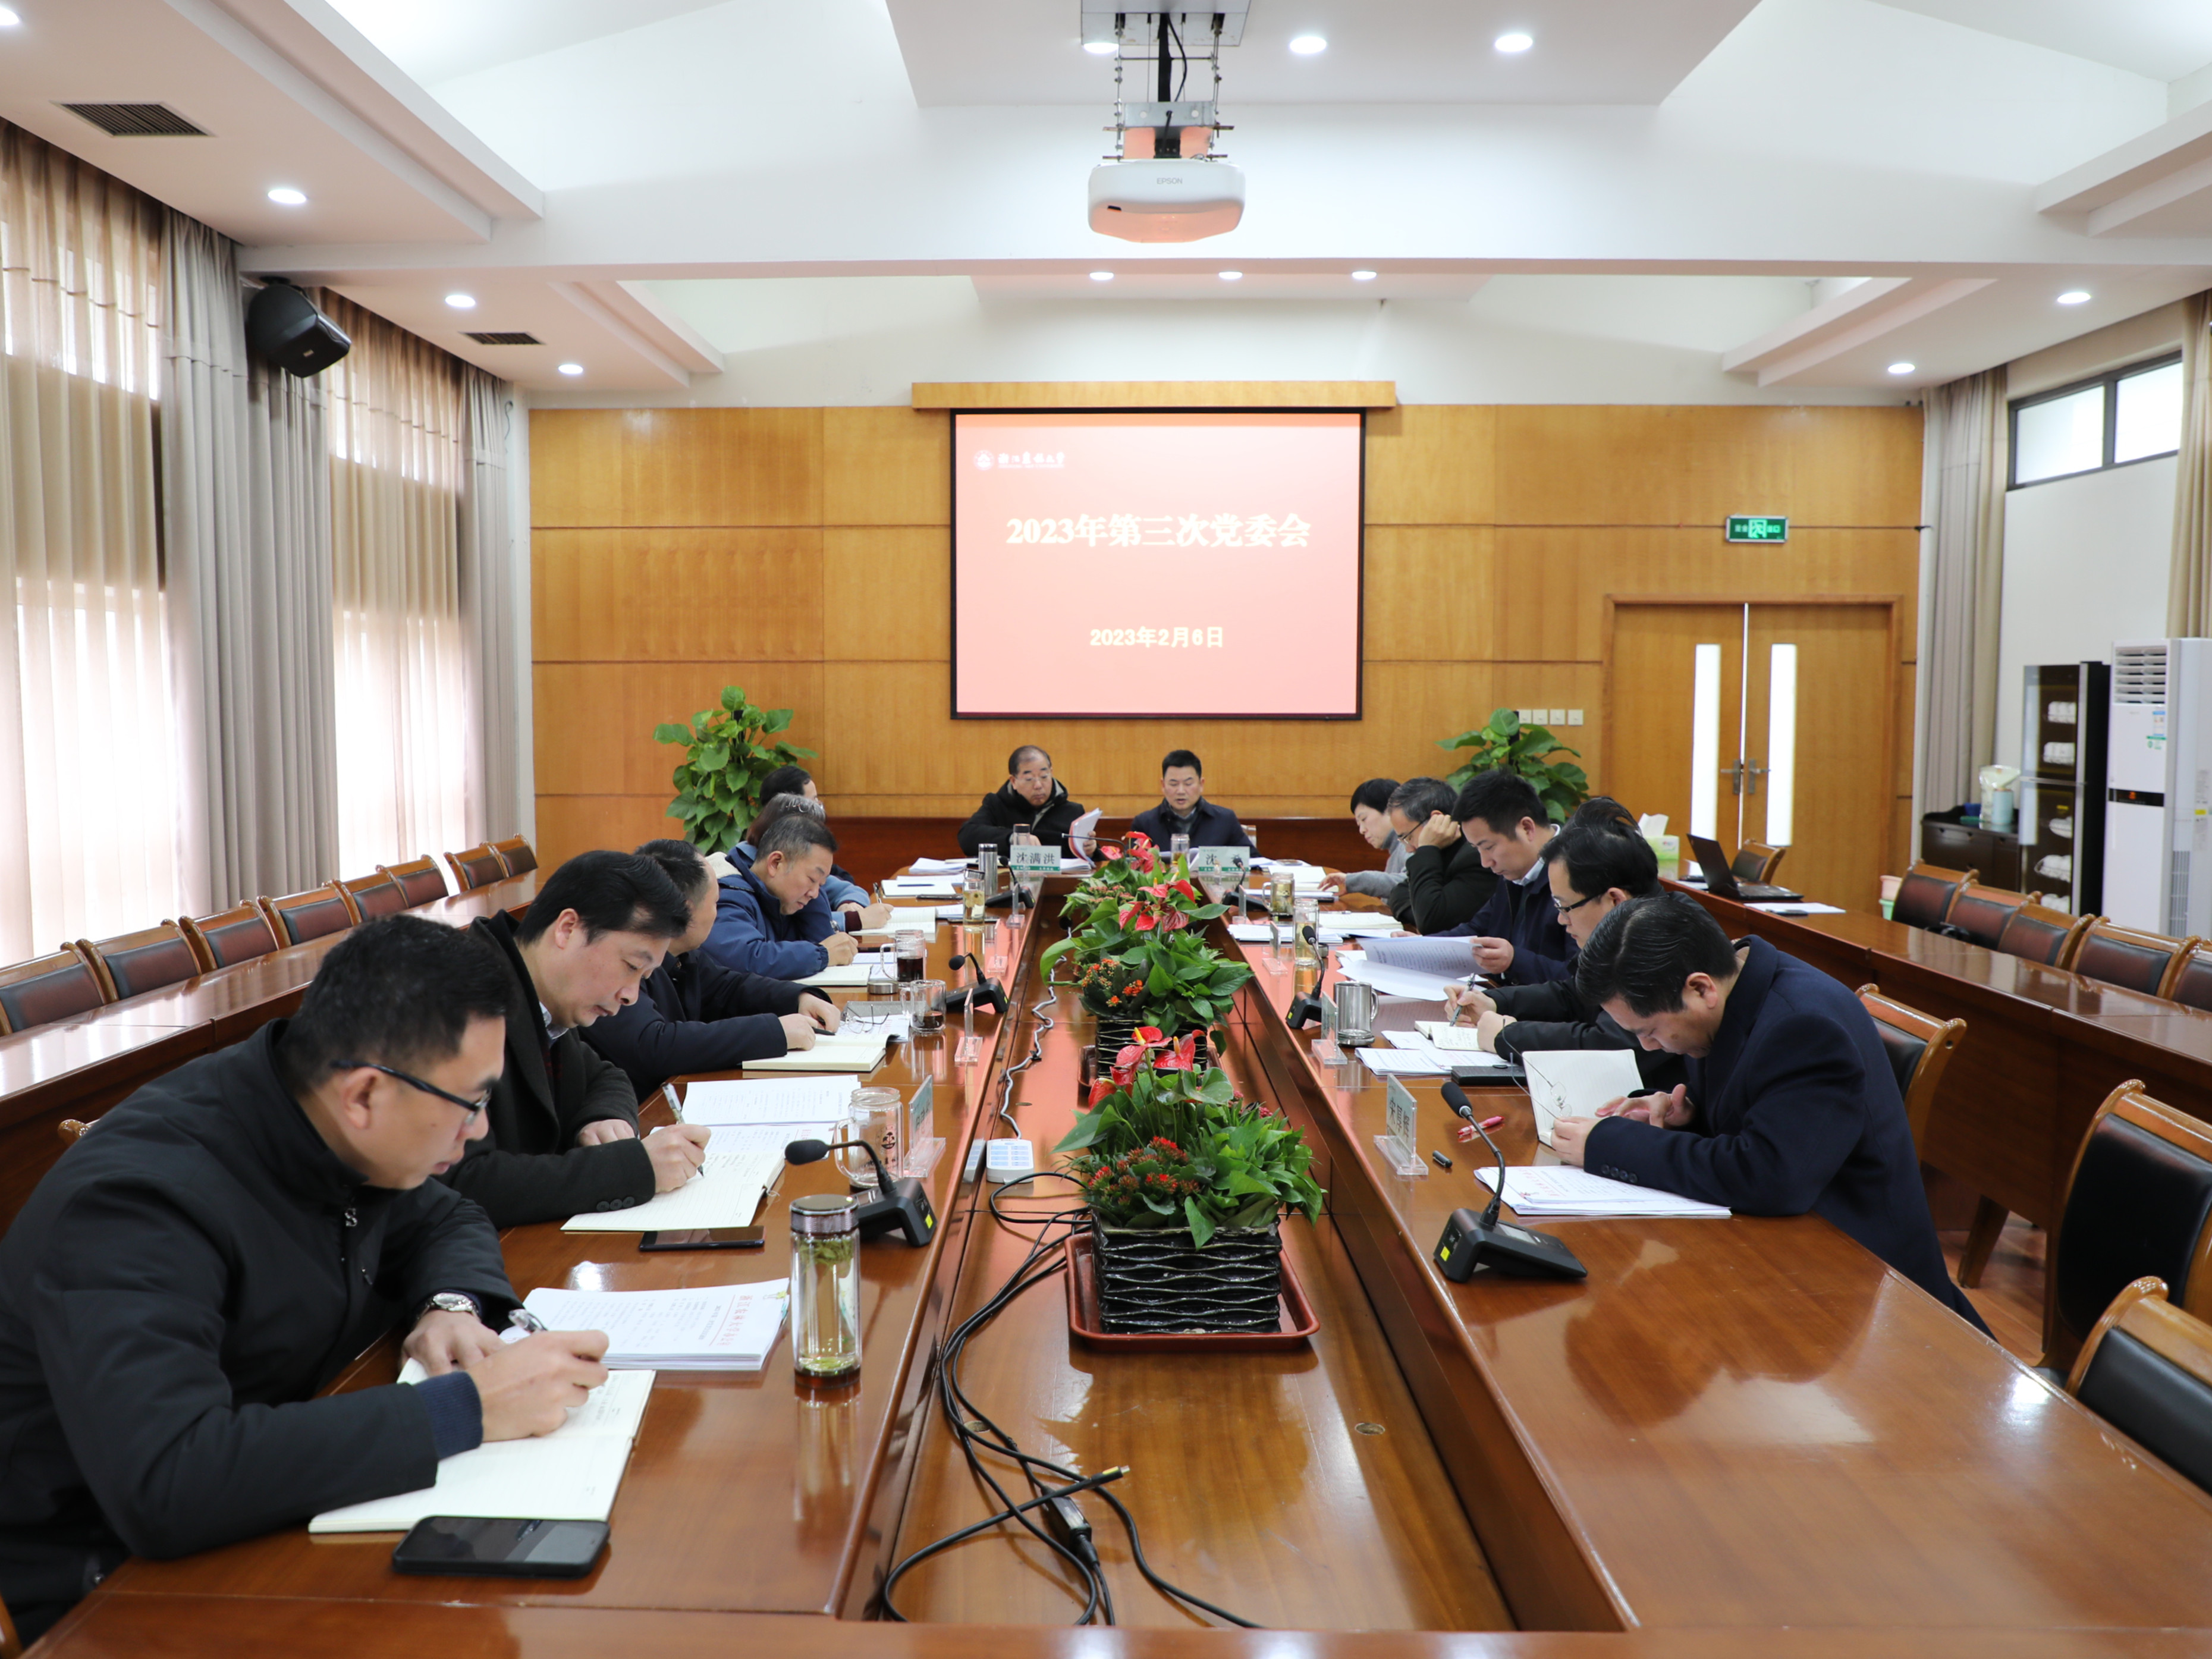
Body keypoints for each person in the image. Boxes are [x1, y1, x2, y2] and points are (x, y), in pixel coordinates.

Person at [0, 918, 612, 1642]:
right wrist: (467, 1409)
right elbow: (169, 1480)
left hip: (282, 1504)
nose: (479, 1132)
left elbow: (447, 1219)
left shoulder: (322, 1114)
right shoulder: (139, 1202)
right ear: (364, 1095)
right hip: (113, 1591)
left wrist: (449, 1304)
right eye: (471, 1103)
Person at [1557, 893, 1988, 1329]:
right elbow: (1754, 1108)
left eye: (1649, 1032)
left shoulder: (1803, 1025)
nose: (1648, 1047)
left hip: (1868, 1291)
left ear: (1701, 987)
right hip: (1793, 1250)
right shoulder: (1735, 991)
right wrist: (1685, 1113)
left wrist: (1611, 1144)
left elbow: (1770, 1176)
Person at [451, 850, 712, 1227]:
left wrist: (603, 1119)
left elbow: (607, 1076)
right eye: (631, 967)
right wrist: (631, 1169)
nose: (631, 995)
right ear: (568, 929)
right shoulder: (459, 1002)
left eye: (645, 978)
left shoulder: (539, 992)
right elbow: (464, 1182)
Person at [1444, 799, 1685, 1092]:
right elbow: (1575, 994)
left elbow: (1613, 1044)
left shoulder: (1664, 941)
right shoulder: (1630, 927)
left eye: (1565, 906)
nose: (1560, 920)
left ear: (1615, 900)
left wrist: (1508, 1035)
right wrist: (1496, 1002)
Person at [584, 840, 843, 1095]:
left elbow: (728, 987)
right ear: (686, 911)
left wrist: (798, 998)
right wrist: (773, 1032)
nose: (718, 914)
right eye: (715, 903)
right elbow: (653, 1045)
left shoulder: (684, 955)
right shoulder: (615, 961)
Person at [1431, 770, 1573, 985]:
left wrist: (1515, 961)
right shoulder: (1515, 873)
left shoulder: (1579, 873)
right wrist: (1418, 947)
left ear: (1526, 828)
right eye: (1477, 849)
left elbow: (1584, 982)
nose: (1485, 862)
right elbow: (1476, 931)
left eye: (1488, 847)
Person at [704, 808, 859, 981]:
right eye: (812, 879)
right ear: (776, 863)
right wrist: (822, 954)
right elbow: (748, 960)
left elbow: (822, 939)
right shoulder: (728, 894)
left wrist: (809, 891)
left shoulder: (782, 899)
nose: (815, 894)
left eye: (821, 884)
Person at [733, 794, 887, 931]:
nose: (814, 893)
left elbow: (848, 889)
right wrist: (848, 921)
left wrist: (849, 904)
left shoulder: (800, 872)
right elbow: (757, 954)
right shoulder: (738, 883)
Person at [1389, 777, 1496, 935]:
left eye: (1408, 837)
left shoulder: (1476, 856)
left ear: (1436, 820)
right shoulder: (1443, 852)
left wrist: (1427, 848)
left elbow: (1431, 923)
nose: (1409, 848)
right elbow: (1398, 893)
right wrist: (1420, 912)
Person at [958, 746, 1089, 856]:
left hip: (1058, 883)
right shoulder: (996, 804)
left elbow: (1088, 858)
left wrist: (1090, 850)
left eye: (1044, 777)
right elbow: (968, 837)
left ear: (1051, 773)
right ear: (1014, 781)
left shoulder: (1073, 811)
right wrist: (1012, 838)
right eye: (1029, 779)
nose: (1038, 785)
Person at [1130, 749, 1249, 849]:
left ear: (1201, 784)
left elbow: (1254, 862)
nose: (1181, 791)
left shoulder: (1225, 820)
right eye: (1174, 784)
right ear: (1163, 785)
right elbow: (1131, 867)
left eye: (1188, 784)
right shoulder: (1145, 824)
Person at [1324, 777, 1406, 901]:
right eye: (1359, 824)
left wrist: (1355, 881)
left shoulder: (1409, 844)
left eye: (1364, 819)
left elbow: (1411, 885)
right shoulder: (1398, 848)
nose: (1362, 830)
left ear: (1392, 810)